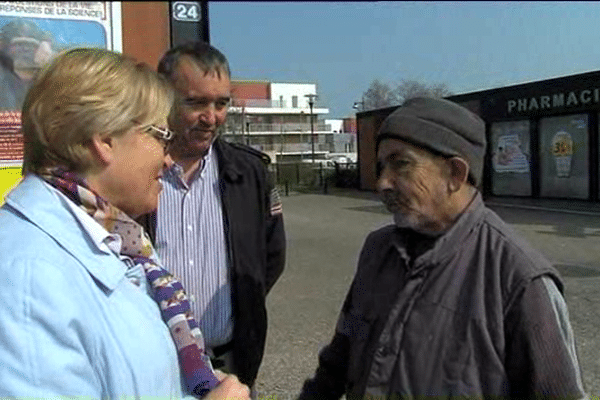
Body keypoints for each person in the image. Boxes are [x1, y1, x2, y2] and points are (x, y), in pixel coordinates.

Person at [0, 47, 249, 400]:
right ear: (103, 140)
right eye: (161, 136)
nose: (167, 158)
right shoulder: (26, 277)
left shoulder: (121, 240)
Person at [298, 97, 587, 398]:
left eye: (401, 164)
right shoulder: (377, 251)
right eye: (382, 166)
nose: (382, 182)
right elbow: (340, 356)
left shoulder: (520, 279)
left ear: (455, 174)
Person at [139, 41, 286, 387]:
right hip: (153, 361)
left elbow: (271, 258)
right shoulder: (135, 172)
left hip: (232, 360)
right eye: (196, 102)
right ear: (163, 97)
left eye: (221, 103)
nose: (211, 117)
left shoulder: (250, 173)